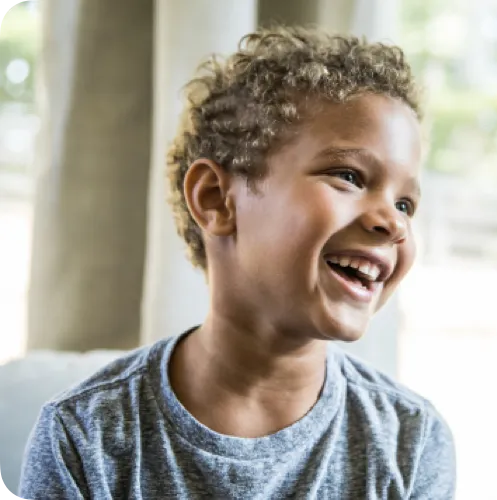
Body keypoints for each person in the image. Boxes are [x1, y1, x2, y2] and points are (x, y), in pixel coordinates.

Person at [19, 26, 456, 499]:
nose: (394, 223)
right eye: (349, 176)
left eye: (406, 204)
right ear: (215, 200)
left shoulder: (411, 442)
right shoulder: (83, 436)